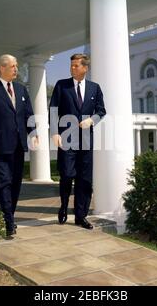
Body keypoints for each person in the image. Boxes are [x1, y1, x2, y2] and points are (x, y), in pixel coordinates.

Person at [0, 54, 38, 238]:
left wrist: (33, 133)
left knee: (16, 183)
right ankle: (9, 223)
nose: (16, 69)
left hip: (19, 145)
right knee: (4, 182)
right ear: (2, 68)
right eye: (13, 66)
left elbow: (29, 114)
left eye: (16, 66)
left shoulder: (21, 89)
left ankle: (7, 214)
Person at [49, 54, 106, 230]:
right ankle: (64, 206)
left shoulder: (94, 88)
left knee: (84, 178)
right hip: (66, 138)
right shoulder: (61, 85)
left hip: (86, 140)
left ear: (85, 68)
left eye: (75, 66)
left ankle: (81, 216)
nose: (72, 68)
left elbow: (101, 110)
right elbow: (53, 110)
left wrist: (92, 120)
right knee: (66, 174)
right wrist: (54, 133)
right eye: (71, 65)